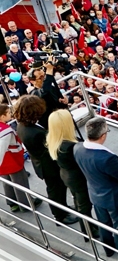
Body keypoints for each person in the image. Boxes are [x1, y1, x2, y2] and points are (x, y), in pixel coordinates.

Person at [74, 117, 118, 259]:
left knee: (104, 224)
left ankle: (108, 248)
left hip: (95, 194)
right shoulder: (106, 158)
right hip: (115, 198)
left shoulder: (77, 148)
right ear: (103, 135)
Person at [14, 95, 77, 224]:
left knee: (57, 189)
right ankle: (60, 216)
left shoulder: (22, 125)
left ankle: (62, 209)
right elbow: (49, 149)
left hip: (41, 163)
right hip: (49, 166)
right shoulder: (36, 132)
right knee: (56, 190)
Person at [46, 110, 98, 240]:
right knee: (84, 205)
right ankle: (88, 232)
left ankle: (88, 228)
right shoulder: (70, 146)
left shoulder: (53, 139)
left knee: (79, 201)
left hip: (67, 175)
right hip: (78, 178)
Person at [0, 104, 40, 212]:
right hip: (12, 160)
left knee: (7, 182)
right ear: (2, 116)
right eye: (8, 113)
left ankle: (12, 203)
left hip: (4, 163)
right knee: (20, 182)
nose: (11, 115)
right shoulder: (5, 131)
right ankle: (25, 204)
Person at [27, 58, 68, 129]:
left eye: (44, 77)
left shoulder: (51, 87)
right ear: (32, 81)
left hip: (61, 119)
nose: (44, 80)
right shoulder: (34, 94)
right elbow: (44, 92)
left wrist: (63, 101)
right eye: (40, 78)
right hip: (51, 125)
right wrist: (49, 71)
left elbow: (55, 100)